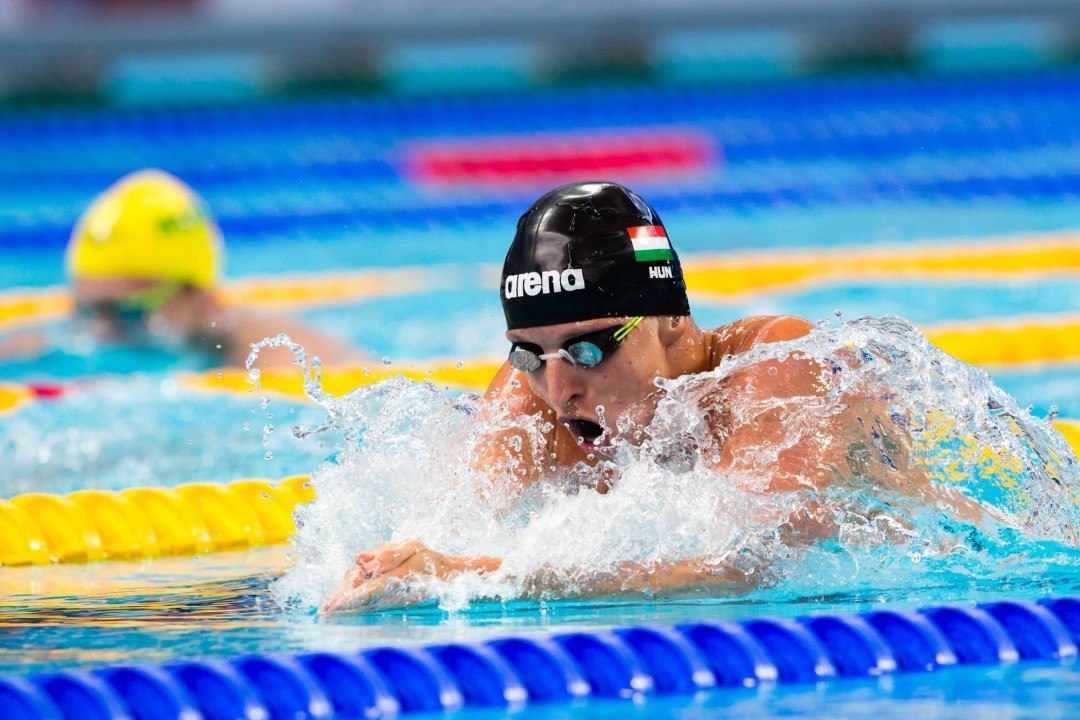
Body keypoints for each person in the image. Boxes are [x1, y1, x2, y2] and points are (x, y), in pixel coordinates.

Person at [321, 181, 982, 613]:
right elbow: (437, 534)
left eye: (589, 349)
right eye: (528, 354)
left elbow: (748, 564)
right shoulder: (534, 402)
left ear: (669, 317)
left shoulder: (777, 369)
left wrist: (472, 571)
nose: (558, 389)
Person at [0, 169, 356, 370]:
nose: (100, 330)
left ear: (198, 297)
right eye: (86, 309)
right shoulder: (56, 345)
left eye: (128, 310)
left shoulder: (274, 351)